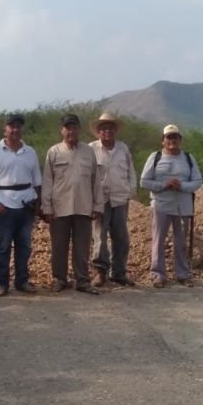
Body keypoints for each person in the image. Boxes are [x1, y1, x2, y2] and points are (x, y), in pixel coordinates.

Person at [0, 113, 42, 297]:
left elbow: (37, 181)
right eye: (11, 126)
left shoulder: (30, 152)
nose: (15, 130)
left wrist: (38, 205)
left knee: (24, 246)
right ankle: (1, 283)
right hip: (4, 206)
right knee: (3, 246)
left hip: (26, 205)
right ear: (4, 129)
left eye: (18, 126)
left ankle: (22, 281)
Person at [41, 114, 104, 294]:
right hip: (60, 207)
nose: (71, 131)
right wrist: (47, 207)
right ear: (62, 130)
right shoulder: (54, 152)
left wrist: (98, 206)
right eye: (68, 128)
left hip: (84, 206)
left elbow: (96, 180)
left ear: (79, 130)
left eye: (74, 127)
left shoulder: (88, 151)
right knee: (59, 246)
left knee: (82, 246)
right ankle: (59, 279)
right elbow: (47, 181)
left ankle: (82, 280)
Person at [140, 124, 203, 288]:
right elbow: (144, 181)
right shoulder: (155, 157)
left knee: (181, 242)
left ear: (180, 140)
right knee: (158, 241)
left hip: (183, 206)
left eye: (175, 137)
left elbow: (197, 181)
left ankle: (182, 274)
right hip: (161, 205)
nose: (172, 140)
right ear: (163, 141)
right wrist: (164, 184)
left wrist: (182, 186)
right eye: (168, 137)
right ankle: (158, 275)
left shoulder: (188, 158)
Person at [88, 112, 137, 287]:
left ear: (115, 131)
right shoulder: (91, 149)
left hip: (120, 199)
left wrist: (130, 192)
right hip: (100, 201)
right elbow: (88, 176)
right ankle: (100, 272)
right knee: (100, 237)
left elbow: (131, 172)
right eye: (104, 128)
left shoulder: (123, 149)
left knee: (121, 237)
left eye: (111, 128)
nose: (107, 131)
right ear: (99, 132)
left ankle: (119, 273)